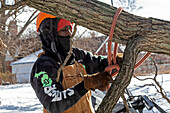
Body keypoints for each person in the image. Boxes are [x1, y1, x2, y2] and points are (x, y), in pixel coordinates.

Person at [30, 12, 116, 113]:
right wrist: (86, 85)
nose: (69, 34)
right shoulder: (44, 66)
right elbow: (54, 103)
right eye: (63, 30)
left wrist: (117, 60)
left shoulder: (76, 55)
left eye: (70, 29)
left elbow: (100, 63)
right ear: (49, 34)